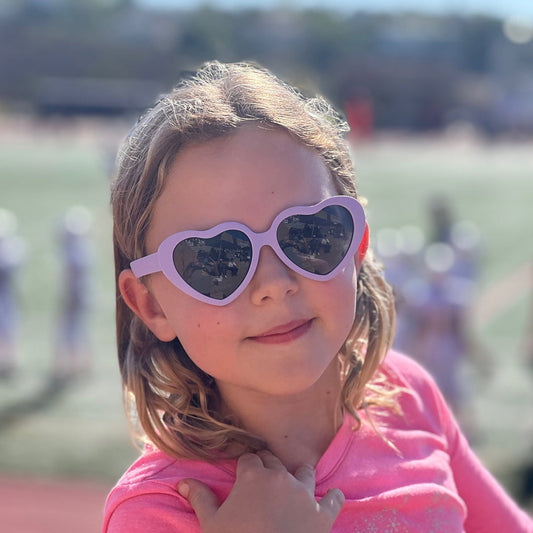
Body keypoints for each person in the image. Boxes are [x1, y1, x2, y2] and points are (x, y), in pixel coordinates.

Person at [103, 61, 532, 532]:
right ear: (151, 305)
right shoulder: (155, 513)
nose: (274, 283)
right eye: (216, 259)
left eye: (310, 234)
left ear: (357, 244)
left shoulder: (408, 395)